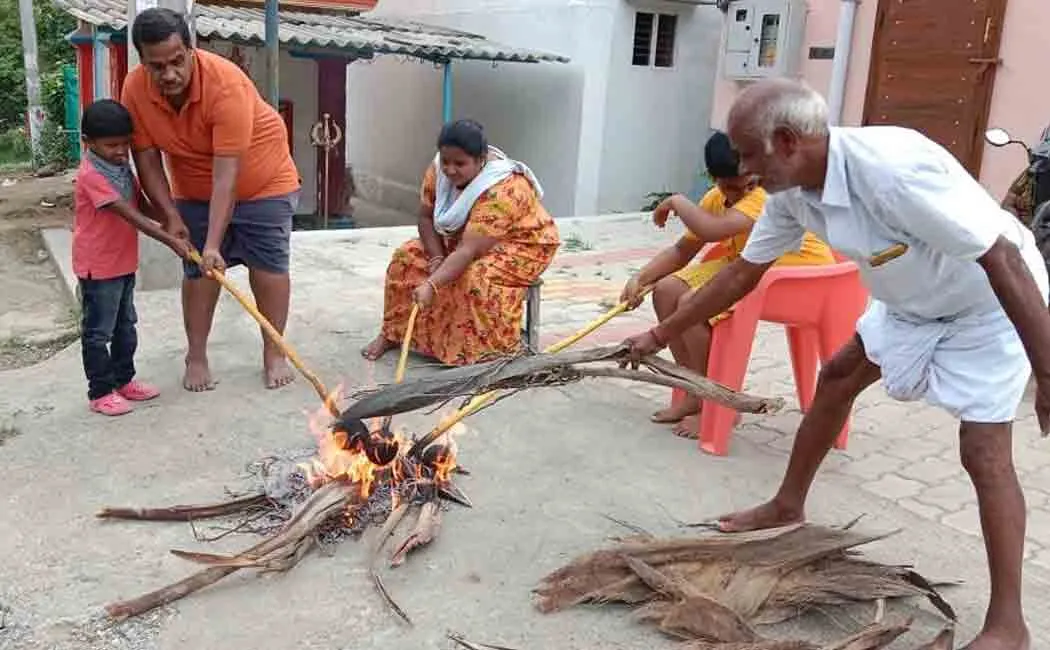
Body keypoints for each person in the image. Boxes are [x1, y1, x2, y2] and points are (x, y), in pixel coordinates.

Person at [623, 79, 1050, 650]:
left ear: (787, 141)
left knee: (983, 451)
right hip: (910, 301)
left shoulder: (893, 170)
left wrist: (1047, 374)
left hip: (987, 303)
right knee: (838, 377)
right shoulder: (792, 193)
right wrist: (658, 333)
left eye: (750, 154)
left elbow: (1002, 257)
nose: (743, 169)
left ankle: (1008, 625)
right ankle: (788, 502)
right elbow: (739, 274)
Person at [120, 8, 301, 391]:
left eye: (177, 61)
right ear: (141, 61)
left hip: (263, 180)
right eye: (157, 66)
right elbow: (147, 158)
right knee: (198, 273)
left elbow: (227, 176)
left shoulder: (225, 84)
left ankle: (274, 351)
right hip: (193, 187)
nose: (169, 74)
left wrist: (214, 243)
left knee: (267, 268)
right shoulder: (134, 89)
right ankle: (196, 354)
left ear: (192, 49)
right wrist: (169, 215)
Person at [620, 132, 834, 437]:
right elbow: (683, 250)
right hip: (751, 266)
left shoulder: (764, 195)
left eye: (750, 179)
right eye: (732, 185)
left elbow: (713, 228)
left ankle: (719, 404)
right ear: (714, 178)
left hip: (798, 277)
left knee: (693, 303)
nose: (744, 189)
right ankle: (693, 391)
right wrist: (641, 277)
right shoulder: (715, 198)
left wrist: (676, 201)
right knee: (667, 291)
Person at [362, 120, 560, 366]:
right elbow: (425, 216)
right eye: (446, 162)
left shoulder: (504, 189)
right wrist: (436, 259)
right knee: (406, 258)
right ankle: (394, 334)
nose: (450, 170)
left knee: (475, 278)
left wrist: (432, 284)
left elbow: (468, 251)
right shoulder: (438, 171)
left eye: (460, 164)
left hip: (522, 244)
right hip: (467, 238)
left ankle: (483, 357)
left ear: (480, 160)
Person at [73, 99, 191, 415]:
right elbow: (128, 215)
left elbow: (139, 204)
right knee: (99, 332)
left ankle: (124, 380)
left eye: (125, 143)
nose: (120, 151)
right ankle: (100, 392)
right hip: (98, 268)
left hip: (123, 263)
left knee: (126, 325)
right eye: (112, 145)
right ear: (88, 143)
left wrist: (171, 218)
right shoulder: (90, 175)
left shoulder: (121, 167)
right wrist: (169, 239)